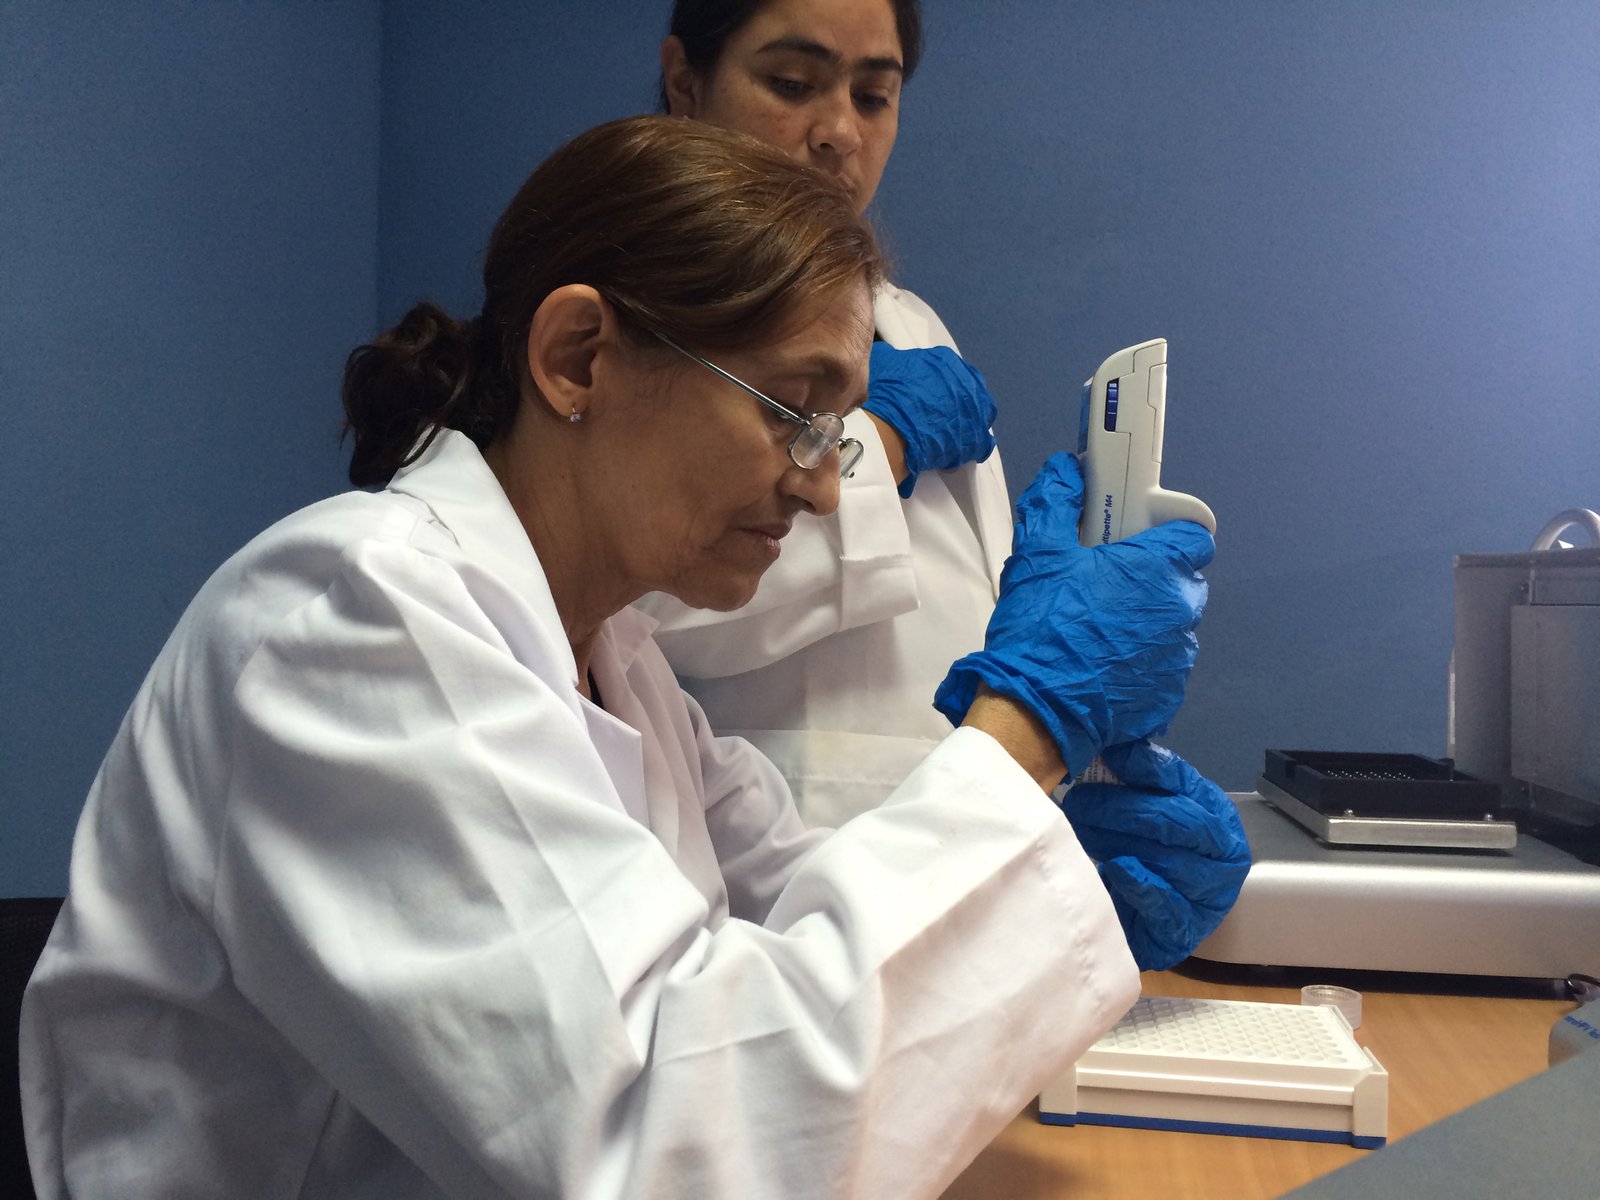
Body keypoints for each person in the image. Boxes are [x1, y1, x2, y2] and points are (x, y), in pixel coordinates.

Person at [19, 115, 1203, 1200]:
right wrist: (1022, 731)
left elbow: (787, 918)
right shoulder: (347, 620)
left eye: (836, 429)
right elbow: (675, 1148)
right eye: (794, 410)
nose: (822, 488)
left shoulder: (618, 659)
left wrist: (1050, 861)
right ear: (580, 356)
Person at [645, 0, 1249, 970]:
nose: (838, 130)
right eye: (792, 84)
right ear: (686, 81)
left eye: (874, 95)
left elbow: (963, 633)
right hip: (777, 892)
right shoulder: (641, 314)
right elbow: (637, 594)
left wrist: (1043, 818)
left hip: (918, 858)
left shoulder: (911, 325)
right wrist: (874, 440)